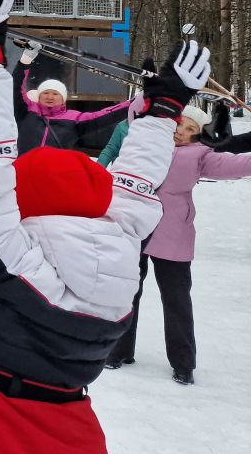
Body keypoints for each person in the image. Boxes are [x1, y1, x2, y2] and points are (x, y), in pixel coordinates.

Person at [0, 0, 210, 454]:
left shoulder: (9, 259)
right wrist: (165, 109)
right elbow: (136, 179)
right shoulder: (120, 235)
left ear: (26, 199)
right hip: (72, 430)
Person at [104, 104, 251, 384]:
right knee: (125, 293)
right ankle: (118, 351)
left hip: (172, 237)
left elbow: (236, 164)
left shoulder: (200, 155)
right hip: (134, 228)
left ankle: (183, 363)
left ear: (198, 135)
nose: (181, 132)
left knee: (176, 300)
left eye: (190, 129)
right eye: (179, 124)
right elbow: (138, 110)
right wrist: (153, 90)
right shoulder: (147, 142)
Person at [11, 42, 129, 154]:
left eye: (56, 94)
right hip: (23, 170)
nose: (50, 97)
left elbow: (106, 115)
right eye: (46, 93)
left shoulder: (74, 119)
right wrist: (25, 60)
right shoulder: (26, 111)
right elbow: (16, 87)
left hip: (55, 173)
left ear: (63, 99)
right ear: (39, 95)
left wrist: (134, 103)